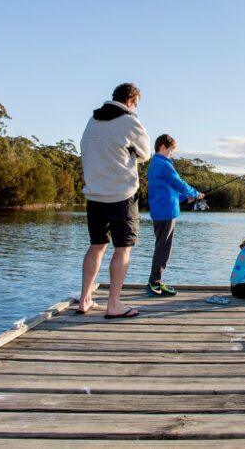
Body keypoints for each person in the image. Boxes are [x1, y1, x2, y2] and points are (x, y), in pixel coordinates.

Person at [78, 82, 150, 319]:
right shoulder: (130, 121)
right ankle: (114, 305)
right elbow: (145, 153)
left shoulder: (92, 121)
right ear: (131, 101)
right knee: (122, 250)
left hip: (94, 195)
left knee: (97, 246)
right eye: (136, 104)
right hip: (122, 195)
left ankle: (85, 299)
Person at [145, 134, 204, 297]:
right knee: (163, 248)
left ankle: (155, 281)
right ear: (163, 147)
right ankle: (155, 283)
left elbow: (168, 190)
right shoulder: (163, 164)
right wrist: (195, 193)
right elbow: (179, 183)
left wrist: (186, 197)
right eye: (171, 150)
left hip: (161, 210)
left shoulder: (155, 164)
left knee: (161, 247)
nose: (171, 153)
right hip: (166, 212)